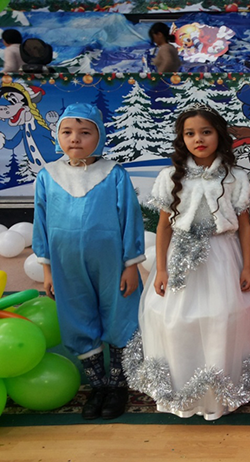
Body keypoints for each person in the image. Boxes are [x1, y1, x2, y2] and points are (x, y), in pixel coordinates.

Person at [124, 104, 250, 420]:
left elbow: (245, 226)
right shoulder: (170, 177)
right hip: (180, 258)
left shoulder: (235, 177)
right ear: (182, 139)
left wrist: (247, 266)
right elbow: (164, 226)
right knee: (176, 320)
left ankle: (221, 392)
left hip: (224, 257)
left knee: (224, 317)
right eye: (190, 133)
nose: (199, 139)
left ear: (218, 135)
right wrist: (162, 268)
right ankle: (183, 390)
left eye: (206, 132)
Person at [32, 103, 145, 420]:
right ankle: (98, 385)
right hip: (66, 264)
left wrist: (131, 264)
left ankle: (118, 385)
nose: (75, 139)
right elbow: (41, 222)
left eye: (85, 132)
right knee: (77, 316)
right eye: (67, 132)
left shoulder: (114, 174)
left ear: (100, 137)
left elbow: (130, 220)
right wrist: (47, 269)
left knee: (120, 315)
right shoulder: (48, 176)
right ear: (58, 137)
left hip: (112, 262)